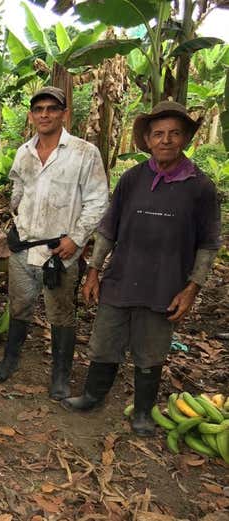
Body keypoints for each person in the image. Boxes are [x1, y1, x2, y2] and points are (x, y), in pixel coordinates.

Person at [62, 101, 221, 436]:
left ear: (185, 140)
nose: (166, 140)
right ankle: (93, 395)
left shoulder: (200, 188)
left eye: (174, 134)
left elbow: (207, 245)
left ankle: (144, 412)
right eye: (159, 134)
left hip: (166, 283)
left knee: (152, 349)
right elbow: (108, 229)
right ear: (148, 140)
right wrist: (93, 270)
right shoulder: (133, 178)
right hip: (122, 277)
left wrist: (192, 288)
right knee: (105, 340)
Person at [0, 87, 109, 401]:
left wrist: (77, 238)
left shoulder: (84, 153)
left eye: (52, 109)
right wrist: (13, 222)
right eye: (38, 108)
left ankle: (60, 376)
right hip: (25, 245)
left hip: (60, 249)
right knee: (19, 304)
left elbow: (97, 202)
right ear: (31, 114)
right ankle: (10, 360)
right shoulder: (24, 152)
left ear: (64, 114)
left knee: (61, 313)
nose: (44, 114)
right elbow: (17, 191)